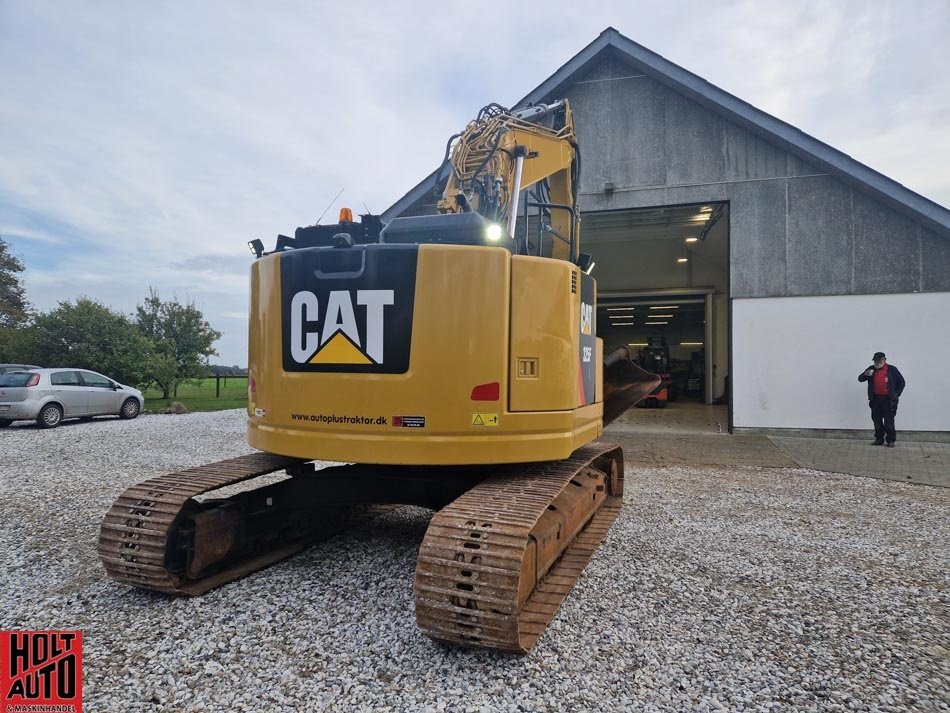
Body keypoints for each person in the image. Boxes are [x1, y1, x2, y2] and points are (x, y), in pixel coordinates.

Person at [857, 352, 906, 447]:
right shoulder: (871, 369)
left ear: (884, 360)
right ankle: (879, 439)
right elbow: (860, 379)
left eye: (879, 361)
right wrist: (868, 373)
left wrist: (896, 394)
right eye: (875, 361)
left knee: (889, 421)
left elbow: (901, 382)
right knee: (876, 420)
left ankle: (890, 440)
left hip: (888, 400)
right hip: (875, 399)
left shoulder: (892, 370)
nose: (877, 363)